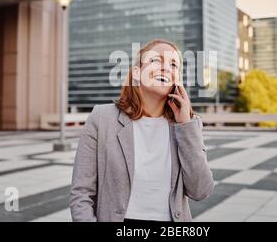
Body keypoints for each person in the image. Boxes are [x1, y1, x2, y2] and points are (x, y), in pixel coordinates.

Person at [70, 39, 214, 222]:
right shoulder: (101, 118)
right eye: (156, 60)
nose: (165, 68)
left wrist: (185, 125)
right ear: (137, 73)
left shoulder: (188, 125)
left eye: (173, 64)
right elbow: (81, 193)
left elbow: (200, 191)